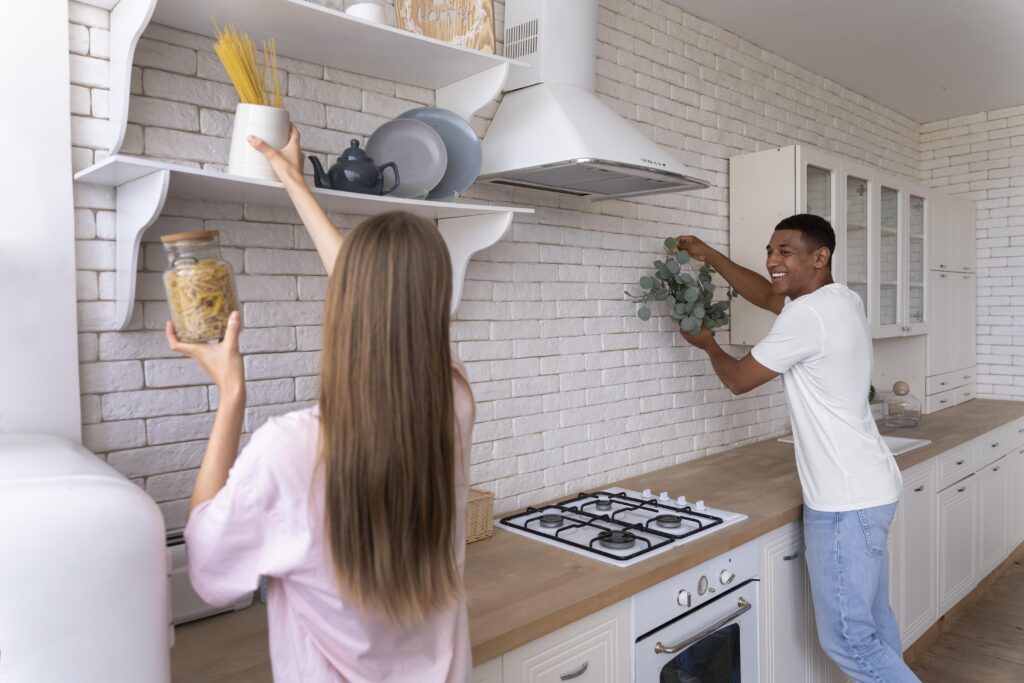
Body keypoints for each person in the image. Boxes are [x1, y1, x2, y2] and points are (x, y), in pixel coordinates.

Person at [169, 126, 475, 682]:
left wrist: (231, 394)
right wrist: (293, 181)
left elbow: (208, 573)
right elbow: (387, 304)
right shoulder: (452, 404)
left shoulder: (291, 449)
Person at [676, 214, 919, 683]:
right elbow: (768, 295)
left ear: (819, 256)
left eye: (784, 252)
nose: (771, 261)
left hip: (845, 501)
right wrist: (709, 255)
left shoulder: (807, 316)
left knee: (849, 640)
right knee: (873, 627)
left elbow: (738, 380)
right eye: (770, 251)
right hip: (871, 488)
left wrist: (707, 344)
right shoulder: (839, 298)